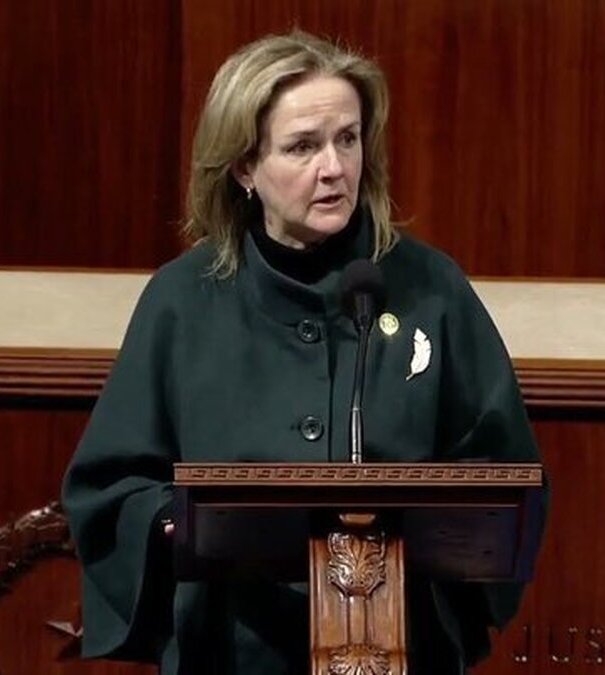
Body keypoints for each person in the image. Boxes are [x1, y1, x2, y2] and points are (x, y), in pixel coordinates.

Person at [62, 30, 546, 675]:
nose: (334, 168)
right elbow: (109, 487)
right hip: (232, 645)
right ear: (244, 167)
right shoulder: (183, 299)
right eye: (302, 146)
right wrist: (175, 522)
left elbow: (505, 471)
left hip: (399, 642)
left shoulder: (430, 287)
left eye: (347, 139)